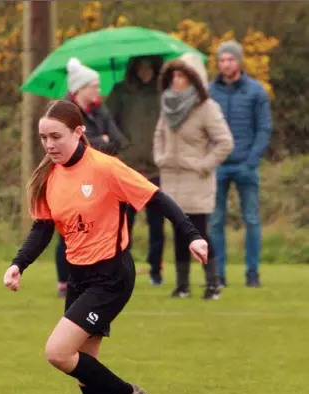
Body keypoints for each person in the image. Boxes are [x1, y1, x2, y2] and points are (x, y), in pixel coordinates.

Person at [3, 100, 208, 394]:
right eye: (43, 138)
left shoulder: (106, 168)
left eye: (56, 136)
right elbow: (43, 227)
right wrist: (19, 263)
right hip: (80, 277)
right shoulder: (48, 177)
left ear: (79, 132)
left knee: (58, 352)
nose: (49, 145)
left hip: (111, 276)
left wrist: (192, 234)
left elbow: (156, 198)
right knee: (86, 369)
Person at [154, 53, 234, 299]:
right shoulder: (167, 105)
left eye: (182, 76)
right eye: (174, 76)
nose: (176, 81)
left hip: (195, 181)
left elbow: (225, 142)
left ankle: (212, 283)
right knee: (178, 233)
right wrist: (161, 158)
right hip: (171, 180)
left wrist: (203, 165)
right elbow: (159, 135)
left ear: (194, 79)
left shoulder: (206, 107)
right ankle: (182, 286)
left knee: (198, 233)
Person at [55, 57, 123, 298]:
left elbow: (116, 141)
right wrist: (98, 141)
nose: (98, 90)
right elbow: (70, 144)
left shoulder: (100, 110)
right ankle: (64, 281)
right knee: (70, 228)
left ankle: (89, 276)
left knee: (92, 229)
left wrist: (96, 142)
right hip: (69, 177)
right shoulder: (64, 112)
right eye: (95, 86)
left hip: (97, 178)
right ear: (81, 88)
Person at [209, 41, 272, 287]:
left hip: (246, 165)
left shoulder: (256, 91)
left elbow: (264, 128)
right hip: (218, 166)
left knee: (252, 219)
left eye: (230, 59)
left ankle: (252, 273)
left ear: (239, 61)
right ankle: (219, 274)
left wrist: (251, 161)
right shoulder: (209, 91)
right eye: (222, 60)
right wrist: (210, 158)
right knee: (215, 221)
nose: (226, 64)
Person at [106, 56, 165, 286]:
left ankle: (156, 271)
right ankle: (121, 270)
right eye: (141, 68)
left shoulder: (163, 93)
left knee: (157, 226)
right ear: (134, 69)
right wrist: (123, 146)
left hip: (155, 167)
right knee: (123, 226)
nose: (145, 72)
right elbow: (108, 122)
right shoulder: (120, 92)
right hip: (127, 168)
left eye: (150, 68)